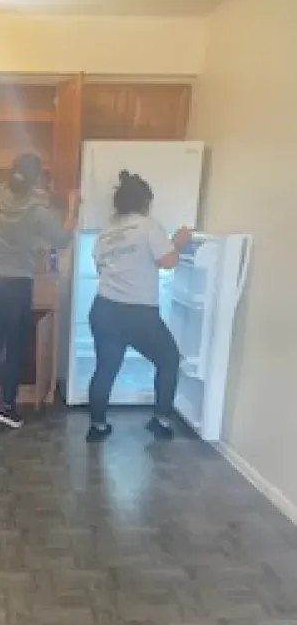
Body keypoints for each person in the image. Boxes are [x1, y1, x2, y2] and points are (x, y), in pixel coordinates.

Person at [86, 170, 192, 443]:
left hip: (104, 308)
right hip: (138, 313)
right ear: (145, 202)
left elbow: (101, 270)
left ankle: (97, 426)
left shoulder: (106, 232)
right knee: (169, 359)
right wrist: (178, 242)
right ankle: (160, 420)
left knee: (105, 368)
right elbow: (168, 262)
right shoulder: (147, 226)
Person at [0, 152, 77, 428]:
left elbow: (19, 189)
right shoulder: (37, 211)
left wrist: (39, 190)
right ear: (36, 180)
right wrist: (72, 207)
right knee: (15, 347)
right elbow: (62, 239)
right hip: (16, 284)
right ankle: (8, 407)